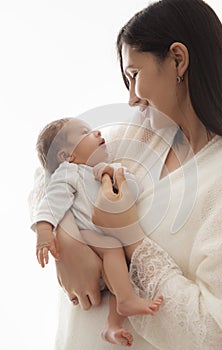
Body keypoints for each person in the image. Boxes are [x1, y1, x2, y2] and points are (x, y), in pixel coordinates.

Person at [29, 0, 222, 349]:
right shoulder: (144, 132)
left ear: (178, 59)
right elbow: (49, 170)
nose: (130, 99)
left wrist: (128, 234)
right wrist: (66, 242)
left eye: (134, 76)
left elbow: (218, 336)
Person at [31, 117, 163, 347]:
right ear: (66, 156)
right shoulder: (69, 174)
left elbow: (133, 189)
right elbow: (51, 202)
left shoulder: (106, 168)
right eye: (86, 133)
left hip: (103, 242)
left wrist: (111, 174)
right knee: (113, 249)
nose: (98, 134)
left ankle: (112, 325)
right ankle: (126, 299)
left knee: (122, 266)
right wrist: (44, 231)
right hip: (87, 239)